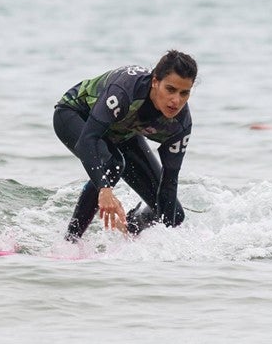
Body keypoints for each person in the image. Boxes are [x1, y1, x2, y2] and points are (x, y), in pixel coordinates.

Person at [53, 50, 196, 241]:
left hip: (122, 131)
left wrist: (170, 243)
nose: (176, 100)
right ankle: (70, 242)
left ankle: (131, 227)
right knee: (113, 165)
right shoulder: (126, 90)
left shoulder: (180, 125)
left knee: (174, 215)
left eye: (184, 93)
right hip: (75, 115)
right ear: (155, 82)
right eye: (170, 89)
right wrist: (104, 189)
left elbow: (169, 183)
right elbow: (88, 139)